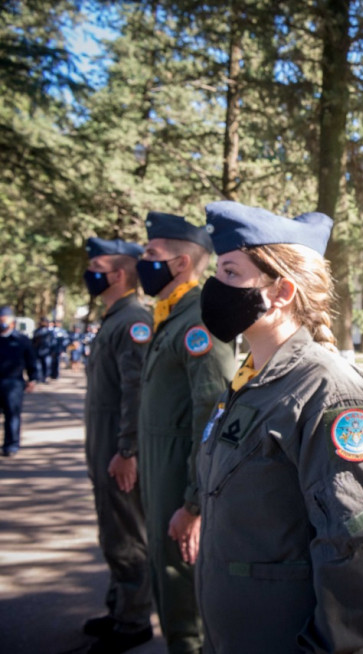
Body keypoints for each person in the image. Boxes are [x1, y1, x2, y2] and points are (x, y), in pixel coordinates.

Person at [195, 201, 363, 653]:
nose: (214, 287)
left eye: (230, 273)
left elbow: (354, 536)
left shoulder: (328, 389)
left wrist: (331, 645)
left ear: (282, 291)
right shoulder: (250, 378)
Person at [136, 211, 236, 654]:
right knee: (164, 570)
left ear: (179, 264)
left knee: (181, 583)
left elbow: (210, 413)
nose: (143, 261)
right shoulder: (170, 316)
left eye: (151, 254)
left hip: (181, 477)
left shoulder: (199, 320)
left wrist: (193, 503)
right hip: (162, 471)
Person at [81, 237, 155, 653]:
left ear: (118, 274)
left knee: (127, 535)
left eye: (97, 265)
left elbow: (135, 393)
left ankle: (133, 621)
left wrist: (128, 451)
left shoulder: (133, 320)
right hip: (104, 445)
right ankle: (118, 607)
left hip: (117, 448)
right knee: (113, 532)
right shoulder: (114, 317)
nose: (90, 273)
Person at [0, 305, 38, 457]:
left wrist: (33, 378)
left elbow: (31, 361)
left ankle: (11, 445)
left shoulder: (22, 340)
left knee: (12, 415)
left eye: (4, 320)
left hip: (13, 383)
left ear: (12, 322)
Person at [32, 317, 55, 382]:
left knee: (46, 365)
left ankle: (45, 377)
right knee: (38, 366)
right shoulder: (36, 331)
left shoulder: (50, 333)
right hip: (37, 351)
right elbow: (33, 341)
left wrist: (53, 351)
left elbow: (53, 342)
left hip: (47, 352)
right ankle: (39, 378)